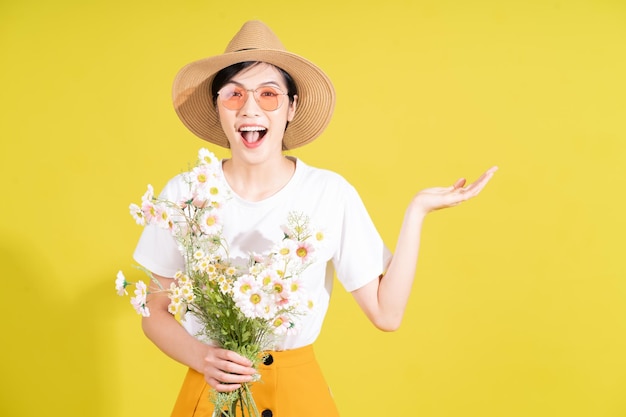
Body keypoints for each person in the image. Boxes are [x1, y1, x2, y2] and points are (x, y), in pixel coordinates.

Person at [133, 20, 497, 417]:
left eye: (268, 95)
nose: (250, 108)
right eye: (234, 94)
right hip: (212, 395)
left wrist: (417, 212)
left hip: (299, 397)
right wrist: (203, 358)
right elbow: (155, 309)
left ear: (291, 107)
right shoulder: (186, 193)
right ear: (217, 106)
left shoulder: (328, 193)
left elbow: (386, 314)